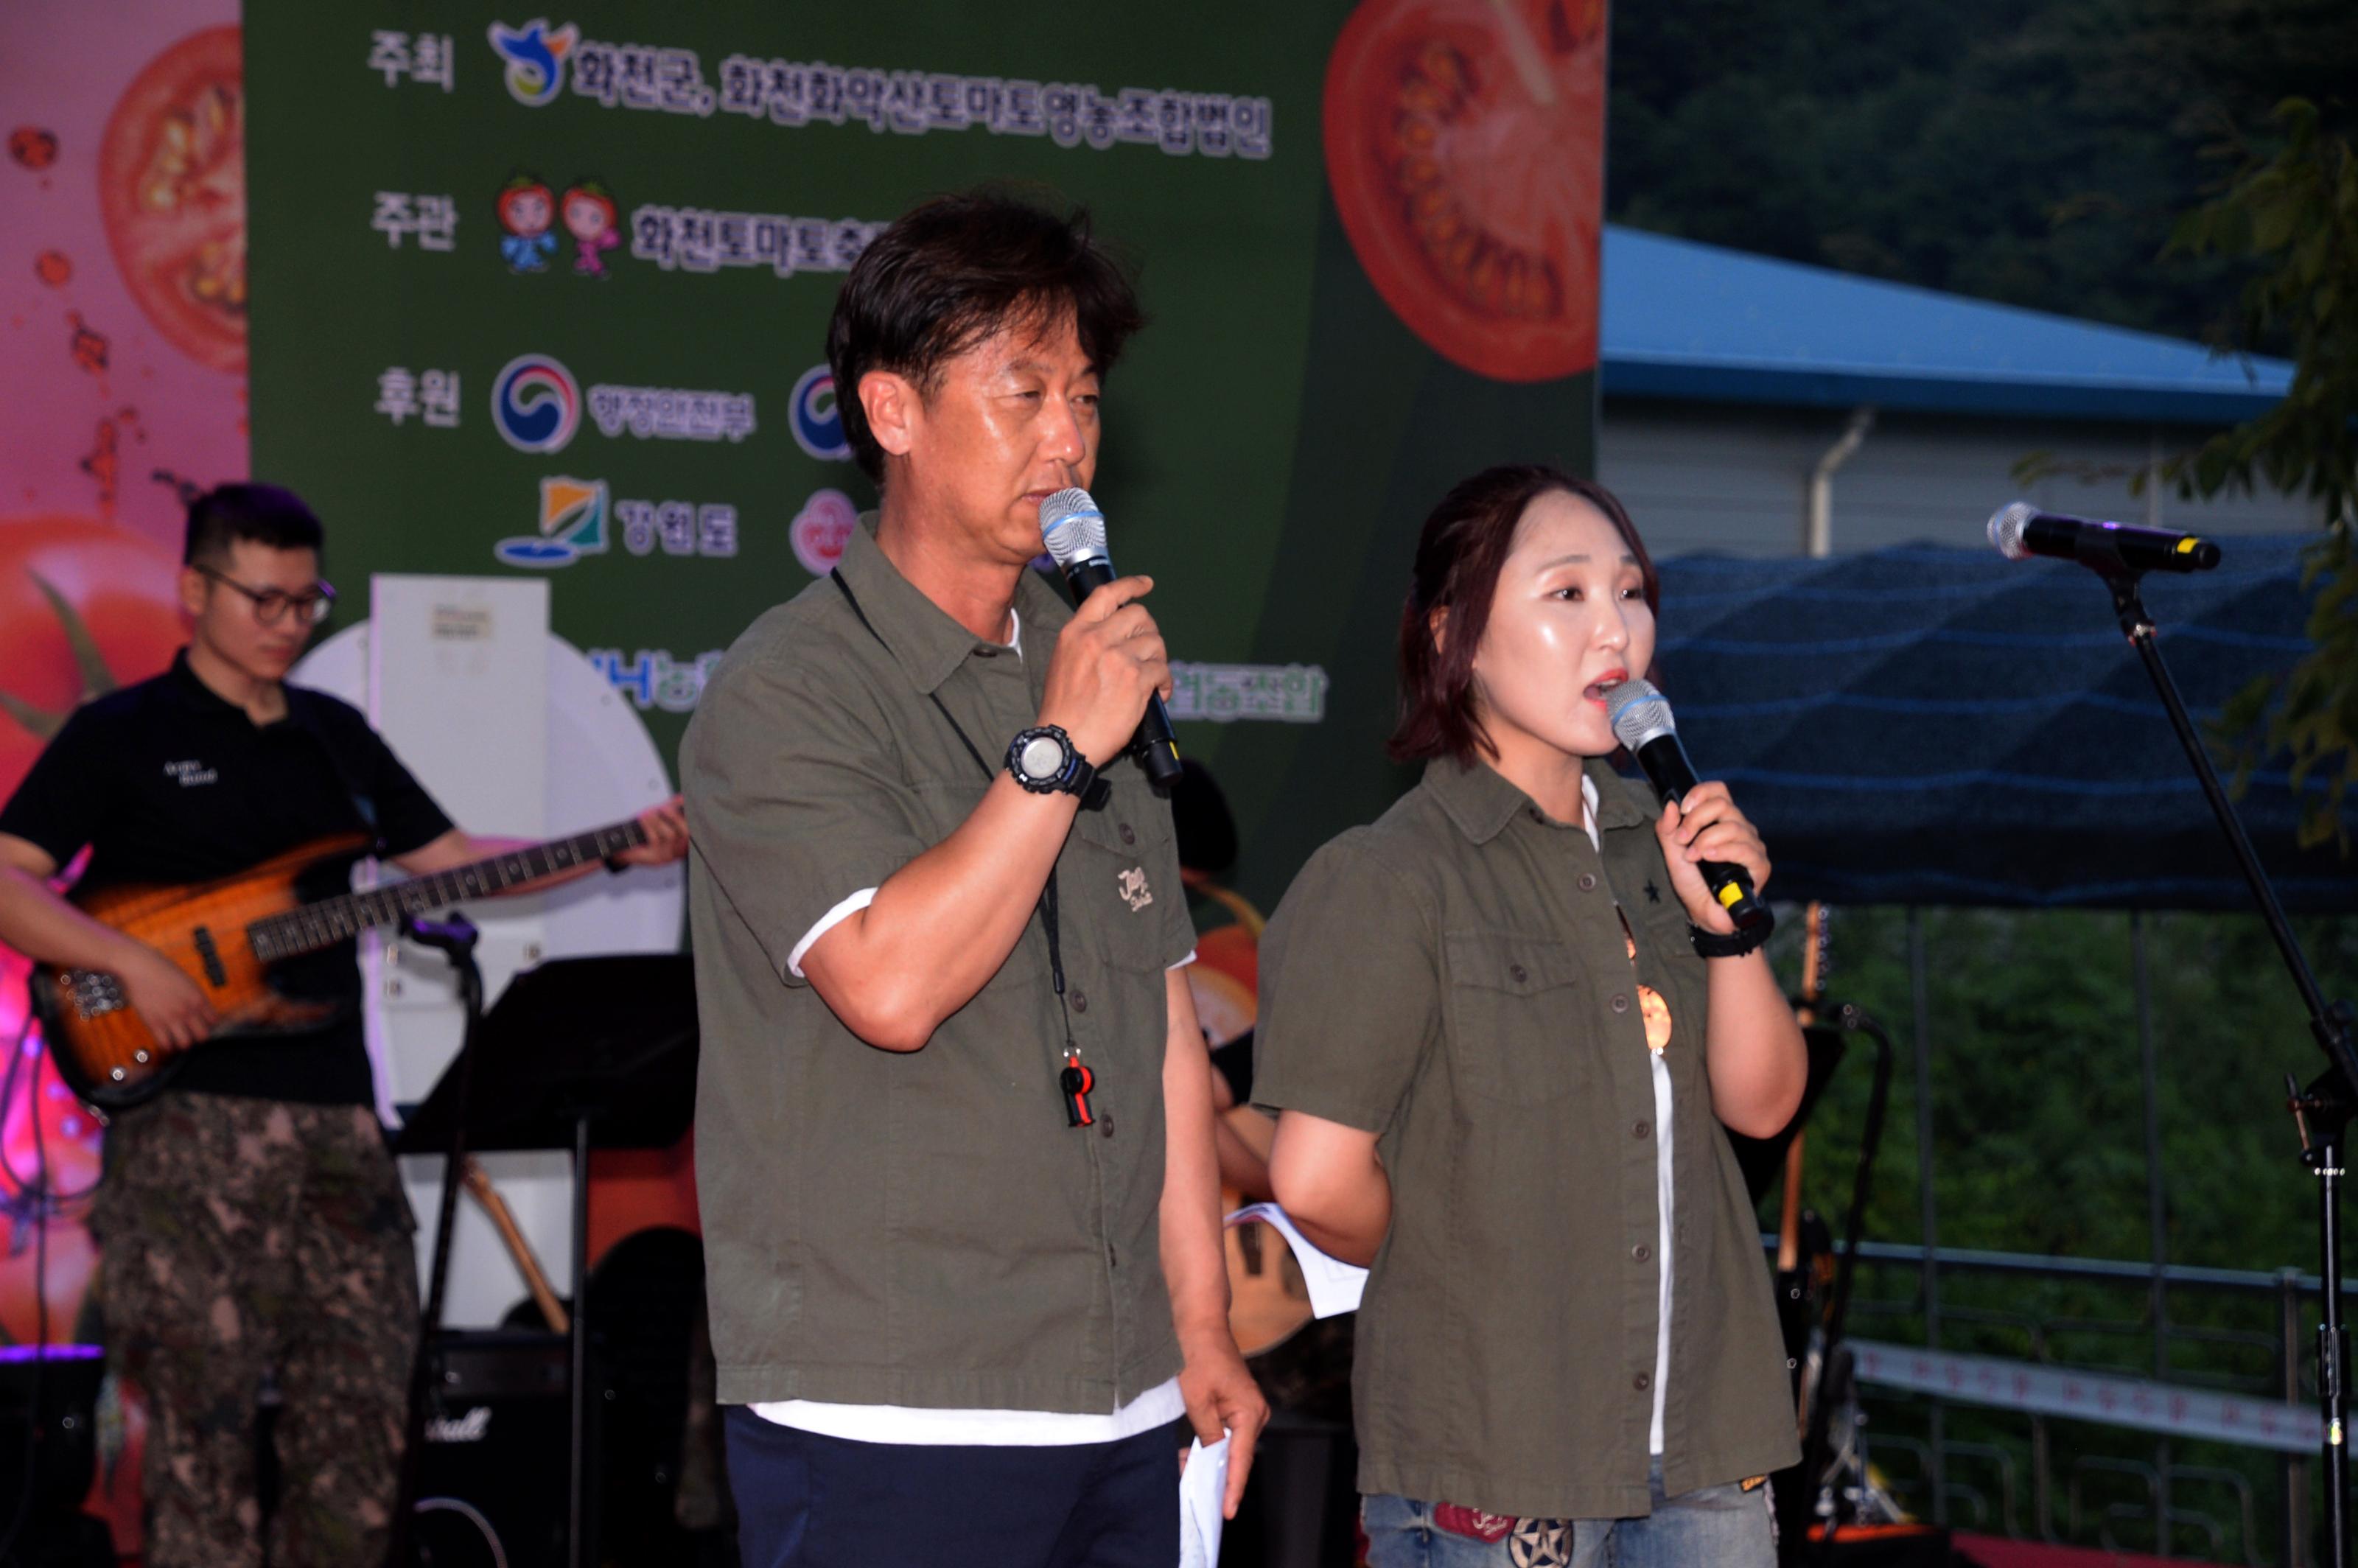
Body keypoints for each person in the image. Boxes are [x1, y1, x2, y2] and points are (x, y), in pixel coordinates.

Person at [681, 189, 1266, 1568]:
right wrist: (1056, 751)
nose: (1068, 442)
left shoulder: (1082, 670)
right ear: (891, 413)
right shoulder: (787, 694)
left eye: (1084, 396)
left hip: (1129, 1403)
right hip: (892, 1409)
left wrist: (1203, 1332)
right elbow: (888, 984)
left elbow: (1165, 1036)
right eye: (1023, 395)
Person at [0, 483, 688, 1567]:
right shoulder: (119, 733)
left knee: (365, 1417)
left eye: (303, 602)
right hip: (188, 1132)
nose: (284, 624)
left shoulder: (337, 738)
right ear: (194, 591)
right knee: (201, 1440)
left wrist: (608, 843)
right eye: (261, 600)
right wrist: (130, 961)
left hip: (338, 1128)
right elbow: (10, 880)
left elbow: (454, 864)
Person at [1253, 466, 1806, 1566]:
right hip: (1500, 1459)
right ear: (1454, 632)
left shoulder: (1663, 849)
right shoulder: (1393, 877)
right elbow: (1315, 1180)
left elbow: (1764, 1105)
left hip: (1706, 1445)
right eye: (1567, 595)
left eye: (1632, 593)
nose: (1616, 630)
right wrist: (1447, 1258)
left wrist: (1728, 929)